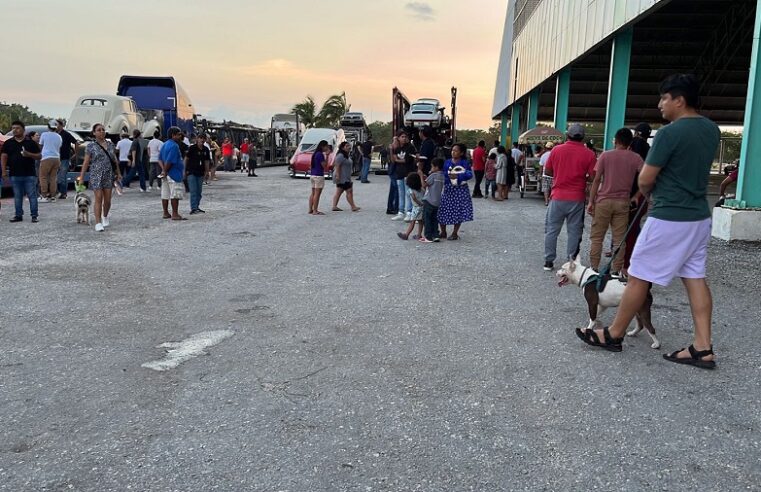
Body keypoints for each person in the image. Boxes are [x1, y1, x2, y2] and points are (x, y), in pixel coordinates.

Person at [577, 74, 721, 369]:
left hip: (669, 216)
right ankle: (703, 348)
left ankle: (614, 334)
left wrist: (646, 193)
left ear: (679, 100)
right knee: (694, 277)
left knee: (639, 274)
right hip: (698, 216)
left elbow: (645, 178)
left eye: (664, 98)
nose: (659, 105)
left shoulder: (669, 134)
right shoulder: (711, 130)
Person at [587, 128, 644, 274]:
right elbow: (647, 179)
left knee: (597, 237)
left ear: (616, 140)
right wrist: (637, 195)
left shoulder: (605, 156)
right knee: (619, 239)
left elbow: (597, 179)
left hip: (603, 201)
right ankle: (616, 270)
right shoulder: (636, 158)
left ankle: (594, 268)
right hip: (623, 203)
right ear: (630, 142)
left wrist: (591, 201)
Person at [542, 123, 596, 271]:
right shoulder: (589, 154)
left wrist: (559, 175)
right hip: (577, 198)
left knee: (552, 229)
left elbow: (547, 171)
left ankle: (548, 261)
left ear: (567, 135)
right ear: (583, 137)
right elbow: (592, 177)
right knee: (574, 231)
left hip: (557, 196)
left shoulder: (556, 150)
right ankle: (571, 262)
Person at [79, 123, 121, 231]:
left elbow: (115, 160)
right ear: (94, 133)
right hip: (96, 174)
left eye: (103, 129)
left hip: (109, 174)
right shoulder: (91, 146)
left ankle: (105, 216)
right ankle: (98, 223)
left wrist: (118, 173)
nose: (102, 131)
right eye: (99, 130)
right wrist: (82, 177)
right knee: (99, 198)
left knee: (107, 200)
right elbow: (86, 162)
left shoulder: (110, 144)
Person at [1, 120, 41, 222]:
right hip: (15, 173)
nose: (15, 130)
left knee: (32, 195)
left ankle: (34, 215)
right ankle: (18, 215)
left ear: (23, 130)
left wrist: (29, 154)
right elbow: (4, 156)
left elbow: (39, 156)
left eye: (17, 128)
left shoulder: (30, 143)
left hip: (29, 174)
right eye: (13, 128)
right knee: (17, 196)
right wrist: (4, 171)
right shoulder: (8, 143)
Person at [438, 143, 474, 240]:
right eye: (452, 150)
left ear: (461, 153)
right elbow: (443, 173)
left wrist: (457, 176)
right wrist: (448, 176)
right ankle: (443, 231)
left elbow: (469, 174)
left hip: (460, 190)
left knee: (458, 211)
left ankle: (454, 233)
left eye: (456, 150)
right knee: (443, 209)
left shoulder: (464, 163)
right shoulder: (447, 162)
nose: (453, 152)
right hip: (448, 189)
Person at [159, 126, 186, 220]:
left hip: (166, 173)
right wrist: (166, 170)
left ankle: (165, 213)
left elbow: (160, 159)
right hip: (174, 173)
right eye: (178, 135)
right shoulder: (174, 146)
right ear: (173, 135)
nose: (180, 136)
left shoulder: (165, 144)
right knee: (175, 194)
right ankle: (175, 214)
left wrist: (163, 170)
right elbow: (169, 161)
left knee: (165, 193)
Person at [391, 131, 417, 221]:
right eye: (402, 136)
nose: (404, 138)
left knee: (408, 193)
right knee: (401, 193)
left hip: (408, 173)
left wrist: (398, 160)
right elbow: (393, 159)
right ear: (398, 138)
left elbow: (407, 160)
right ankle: (401, 212)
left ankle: (409, 212)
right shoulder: (397, 148)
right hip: (399, 173)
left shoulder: (410, 147)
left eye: (405, 137)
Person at [420, 158, 445, 243]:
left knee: (426, 219)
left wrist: (420, 176)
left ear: (436, 167)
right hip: (438, 202)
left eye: (432, 166)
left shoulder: (433, 176)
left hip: (429, 201)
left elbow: (424, 185)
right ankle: (435, 235)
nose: (431, 168)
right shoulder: (443, 176)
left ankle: (428, 237)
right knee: (435, 219)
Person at [184, 134, 210, 214]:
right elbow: (186, 159)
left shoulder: (206, 149)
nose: (202, 140)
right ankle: (193, 208)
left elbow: (207, 161)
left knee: (199, 191)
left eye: (203, 139)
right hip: (191, 172)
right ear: (197, 139)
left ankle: (197, 206)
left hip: (201, 172)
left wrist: (207, 171)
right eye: (200, 138)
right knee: (193, 190)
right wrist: (184, 170)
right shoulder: (192, 148)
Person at [331, 141, 360, 212]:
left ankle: (334, 206)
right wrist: (338, 176)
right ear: (342, 147)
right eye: (347, 146)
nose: (349, 147)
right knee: (349, 191)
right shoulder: (341, 155)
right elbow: (337, 165)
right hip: (342, 177)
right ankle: (353, 207)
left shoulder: (346, 155)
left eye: (349, 146)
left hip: (345, 176)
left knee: (339, 191)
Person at [38, 119, 62, 202]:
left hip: (46, 158)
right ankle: (53, 196)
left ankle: (44, 196)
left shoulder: (44, 135)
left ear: (48, 126)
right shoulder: (59, 136)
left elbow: (40, 145)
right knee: (53, 178)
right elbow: (59, 147)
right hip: (56, 158)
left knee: (43, 177)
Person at [397, 172, 424, 240]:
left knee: (412, 222)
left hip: (416, 208)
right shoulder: (422, 189)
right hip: (422, 207)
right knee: (421, 222)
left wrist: (419, 203)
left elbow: (414, 199)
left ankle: (406, 234)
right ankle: (419, 234)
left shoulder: (410, 190)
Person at [56, 119, 77, 199]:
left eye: (57, 124)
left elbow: (75, 142)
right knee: (55, 176)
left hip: (64, 158)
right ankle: (56, 192)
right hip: (55, 158)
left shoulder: (66, 134)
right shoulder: (54, 134)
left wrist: (75, 153)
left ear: (61, 126)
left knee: (62, 176)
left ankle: (63, 193)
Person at [308, 140, 329, 215]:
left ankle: (310, 209)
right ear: (322, 146)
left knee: (313, 193)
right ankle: (315, 210)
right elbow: (324, 165)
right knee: (317, 193)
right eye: (326, 146)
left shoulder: (315, 154)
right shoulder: (320, 154)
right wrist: (327, 156)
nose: (327, 148)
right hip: (319, 175)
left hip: (313, 174)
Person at [386, 137, 399, 215]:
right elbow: (392, 160)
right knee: (396, 190)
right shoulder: (391, 149)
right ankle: (394, 207)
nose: (395, 142)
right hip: (393, 171)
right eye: (394, 140)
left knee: (393, 190)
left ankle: (390, 207)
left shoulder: (396, 149)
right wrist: (391, 150)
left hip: (394, 171)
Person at [540, 142, 554, 206]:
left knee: (546, 189)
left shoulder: (543, 155)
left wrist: (540, 174)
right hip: (553, 175)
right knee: (552, 189)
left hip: (545, 174)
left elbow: (541, 166)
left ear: (546, 148)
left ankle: (546, 202)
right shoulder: (554, 154)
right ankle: (551, 201)